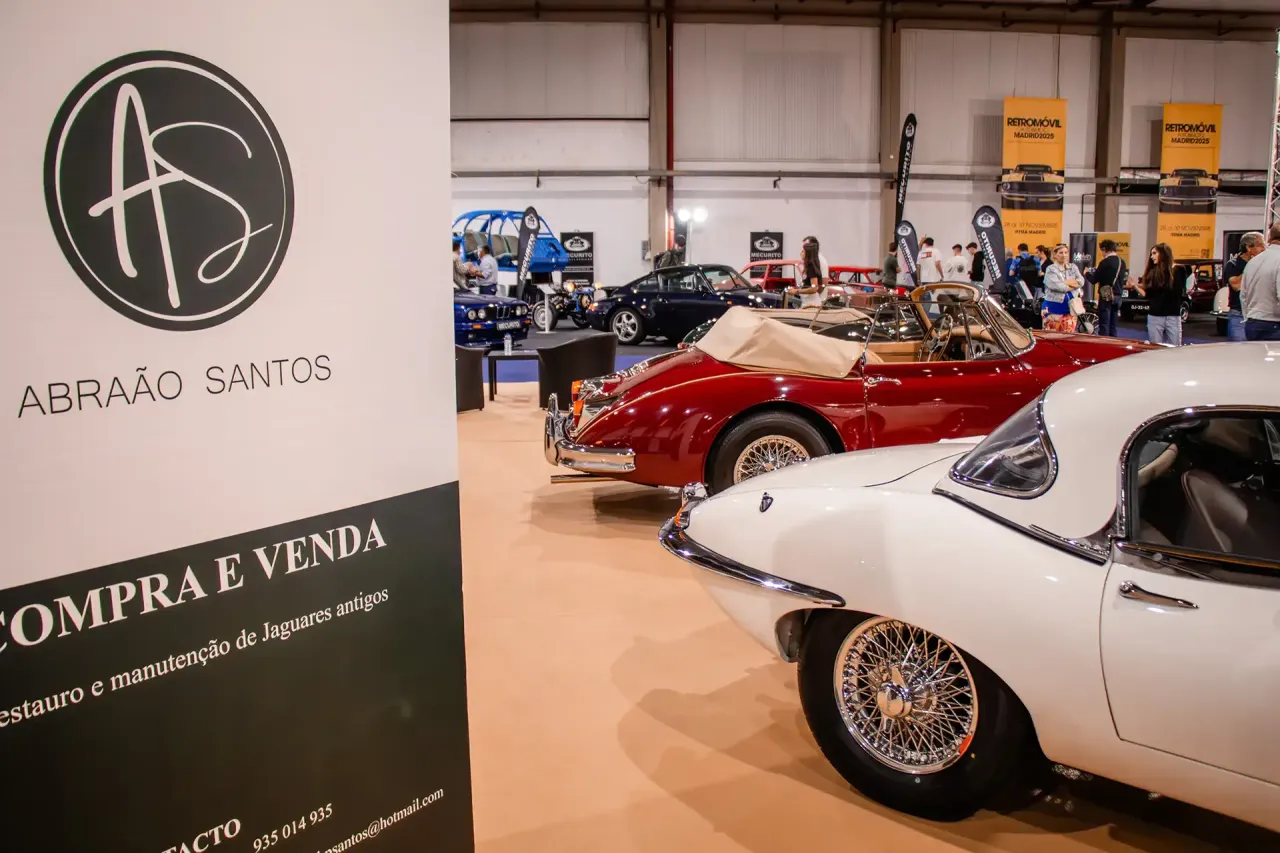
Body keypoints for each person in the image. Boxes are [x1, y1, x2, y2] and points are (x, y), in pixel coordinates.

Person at [1129, 242, 1183, 345]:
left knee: (1175, 347)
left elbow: (1179, 291)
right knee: (1155, 347)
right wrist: (1135, 286)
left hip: (1173, 316)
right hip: (1155, 316)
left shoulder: (1179, 270)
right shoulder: (1152, 272)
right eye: (1151, 254)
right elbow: (1147, 294)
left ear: (1163, 254)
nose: (1151, 256)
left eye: (1154, 253)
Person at [1241, 224, 1280, 341]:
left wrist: (1248, 318)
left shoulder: (1253, 261)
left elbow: (1243, 295)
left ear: (1269, 238)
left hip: (1253, 323)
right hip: (1274, 325)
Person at [1224, 232, 1265, 341]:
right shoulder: (1233, 264)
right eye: (1260, 245)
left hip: (1259, 315)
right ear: (1248, 247)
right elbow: (1236, 286)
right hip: (1239, 315)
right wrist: (1252, 265)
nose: (1264, 249)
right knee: (1239, 349)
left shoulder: (1264, 263)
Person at [1042, 243, 1085, 332]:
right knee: (1052, 335)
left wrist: (1065, 282)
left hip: (1071, 308)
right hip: (1053, 307)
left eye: (1066, 252)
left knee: (1069, 335)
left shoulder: (1073, 267)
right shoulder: (1051, 269)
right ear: (1055, 255)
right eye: (1061, 253)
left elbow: (1081, 281)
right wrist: (1074, 284)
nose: (1064, 255)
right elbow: (1059, 287)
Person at [1088, 239, 1125, 338]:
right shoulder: (1122, 262)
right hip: (1118, 296)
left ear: (1104, 249)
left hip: (1106, 296)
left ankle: (1103, 343)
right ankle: (1113, 343)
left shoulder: (1105, 262)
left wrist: (1086, 273)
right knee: (1113, 325)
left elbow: (1094, 280)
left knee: (1104, 324)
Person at [788, 237, 828, 308]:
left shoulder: (811, 267)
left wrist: (796, 291)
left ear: (808, 253)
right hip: (808, 301)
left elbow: (814, 288)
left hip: (811, 303)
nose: (800, 253)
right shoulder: (810, 266)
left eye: (803, 251)